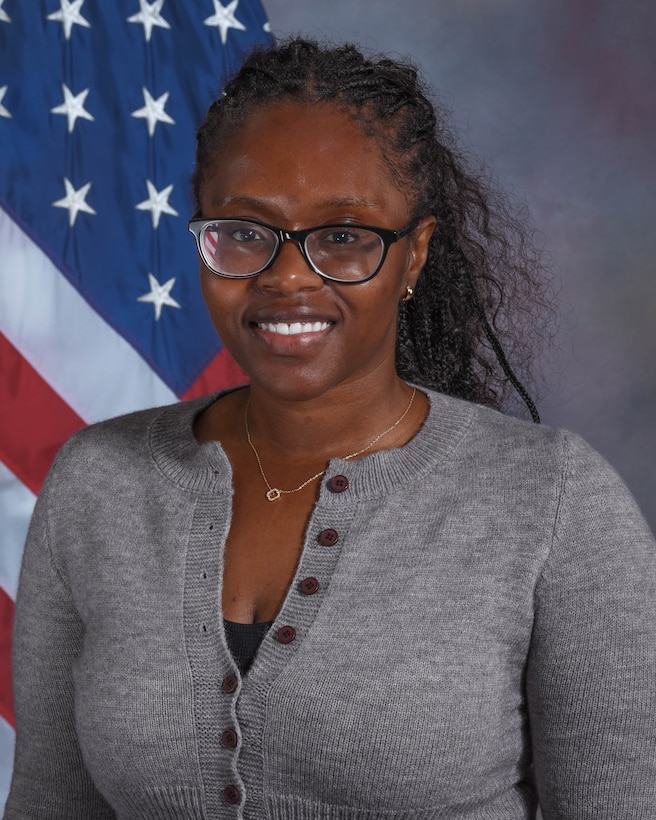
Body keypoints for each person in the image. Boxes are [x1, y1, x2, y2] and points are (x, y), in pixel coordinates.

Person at [5, 37, 656, 820]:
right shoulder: (98, 481)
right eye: (244, 231)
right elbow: (48, 804)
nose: (286, 277)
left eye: (343, 236)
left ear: (414, 254)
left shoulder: (550, 501)